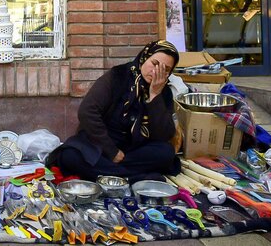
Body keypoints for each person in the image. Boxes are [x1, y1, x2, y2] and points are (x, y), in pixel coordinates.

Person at [46, 40, 181, 184]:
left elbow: (163, 135)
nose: (156, 72)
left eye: (165, 70)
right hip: (101, 146)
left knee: (165, 153)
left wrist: (155, 96)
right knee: (70, 156)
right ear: (144, 57)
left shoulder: (164, 92)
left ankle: (111, 176)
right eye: (154, 64)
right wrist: (111, 151)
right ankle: (134, 178)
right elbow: (87, 112)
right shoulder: (118, 76)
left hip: (133, 150)